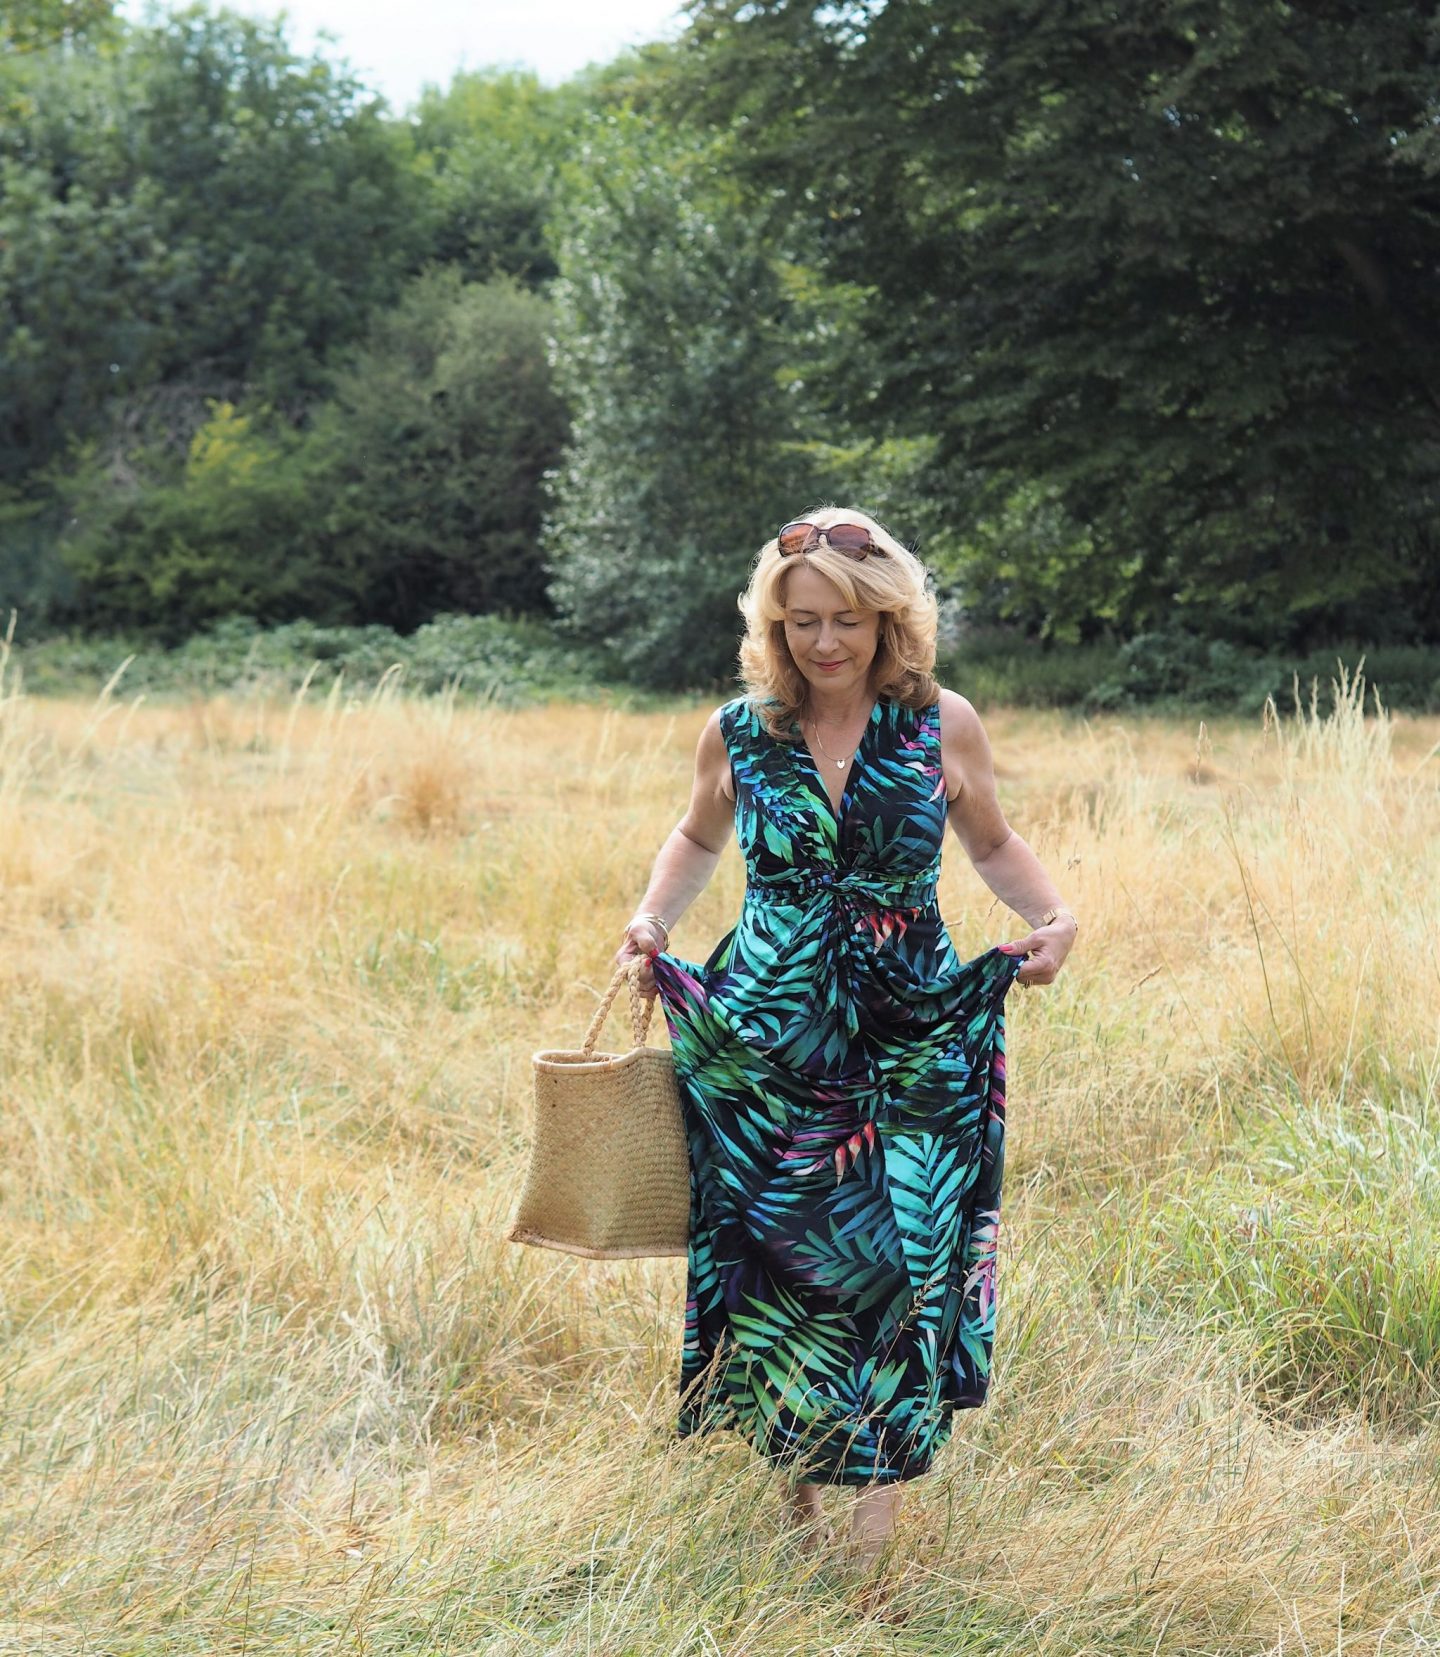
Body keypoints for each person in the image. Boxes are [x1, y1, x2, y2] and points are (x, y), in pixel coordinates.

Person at [614, 506, 1078, 1571]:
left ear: (890, 621)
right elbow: (695, 835)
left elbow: (994, 842)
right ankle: (795, 1513)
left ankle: (868, 1558)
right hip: (768, 1036)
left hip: (907, 1029)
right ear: (773, 627)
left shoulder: (941, 723)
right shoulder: (739, 730)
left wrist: (1053, 917)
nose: (825, 643)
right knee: (780, 1265)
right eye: (802, 623)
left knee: (895, 1261)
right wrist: (653, 918)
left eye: (848, 622)